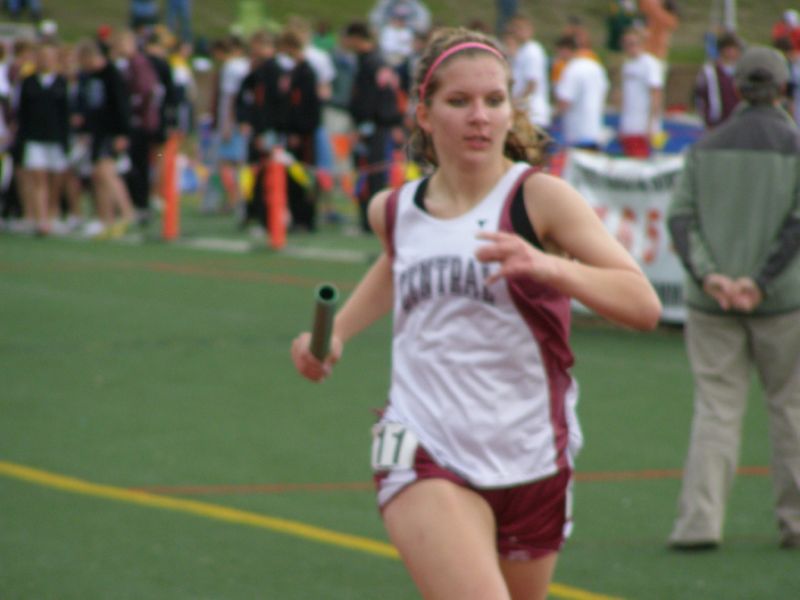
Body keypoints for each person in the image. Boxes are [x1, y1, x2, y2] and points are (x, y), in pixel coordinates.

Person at [291, 27, 662, 599]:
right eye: (458, 102)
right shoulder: (392, 210)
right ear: (424, 113)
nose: (480, 117)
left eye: (494, 101)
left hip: (534, 455)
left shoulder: (536, 199)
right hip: (422, 444)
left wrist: (550, 268)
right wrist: (336, 332)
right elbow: (399, 263)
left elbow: (643, 305)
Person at [667, 46, 800, 552]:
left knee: (716, 411)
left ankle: (699, 523)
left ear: (737, 87)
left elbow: (682, 219)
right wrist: (759, 282)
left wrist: (712, 277)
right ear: (784, 88)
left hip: (712, 302)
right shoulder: (794, 146)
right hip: (784, 302)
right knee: (791, 410)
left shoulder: (704, 147)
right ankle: (795, 522)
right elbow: (796, 225)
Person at [342, 20, 403, 233]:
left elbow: (369, 99)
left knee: (368, 173)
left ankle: (369, 222)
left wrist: (362, 126)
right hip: (381, 125)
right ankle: (370, 220)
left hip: (372, 127)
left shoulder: (369, 63)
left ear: (356, 38)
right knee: (372, 173)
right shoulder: (378, 60)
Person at [554, 35, 609, 150]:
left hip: (576, 132)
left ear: (565, 50)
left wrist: (554, 117)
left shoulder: (571, 69)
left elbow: (565, 101)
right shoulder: (595, 66)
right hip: (594, 130)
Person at [617, 27, 664, 157]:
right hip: (629, 125)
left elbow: (656, 94)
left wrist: (650, 124)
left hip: (643, 126)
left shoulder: (649, 63)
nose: (630, 48)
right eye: (626, 44)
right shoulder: (627, 65)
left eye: (633, 43)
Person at [505, 14, 551, 130]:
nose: (517, 32)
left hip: (533, 114)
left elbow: (532, 84)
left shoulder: (532, 50)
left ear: (530, 30)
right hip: (525, 115)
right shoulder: (522, 51)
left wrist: (515, 102)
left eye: (520, 28)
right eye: (515, 28)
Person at [693, 32, 742, 129]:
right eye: (729, 48)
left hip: (738, 122)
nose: (732, 52)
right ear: (722, 50)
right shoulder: (709, 72)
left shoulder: (741, 71)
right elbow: (699, 95)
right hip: (716, 123)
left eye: (735, 49)